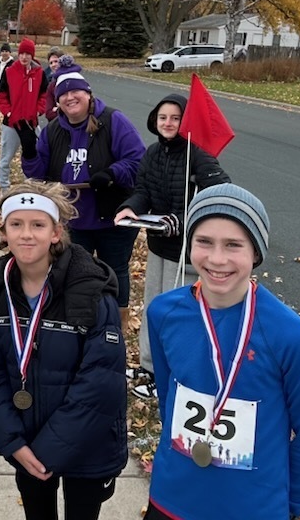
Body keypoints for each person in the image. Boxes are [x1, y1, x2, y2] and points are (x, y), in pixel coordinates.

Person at [143, 184, 300, 520]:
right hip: (170, 500)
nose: (217, 259)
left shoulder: (290, 335)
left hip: (251, 508)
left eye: (233, 245)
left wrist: (291, 505)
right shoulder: (163, 313)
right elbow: (167, 397)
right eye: (204, 242)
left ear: (256, 253)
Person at [0, 181, 127, 520]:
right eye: (16, 224)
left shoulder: (90, 290)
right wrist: (13, 443)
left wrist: (46, 451)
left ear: (56, 232)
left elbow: (101, 384)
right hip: (26, 441)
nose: (26, 234)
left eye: (38, 225)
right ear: (4, 231)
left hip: (89, 446)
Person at [114, 93, 231, 399]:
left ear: (186, 122)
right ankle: (149, 367)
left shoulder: (199, 155)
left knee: (179, 313)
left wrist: (180, 220)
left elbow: (220, 195)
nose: (168, 123)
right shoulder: (152, 154)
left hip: (187, 253)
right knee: (155, 307)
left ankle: (172, 375)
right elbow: (143, 191)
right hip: (159, 246)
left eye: (175, 118)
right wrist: (130, 207)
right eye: (163, 117)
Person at [20, 55, 145, 328]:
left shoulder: (113, 121)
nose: (70, 98)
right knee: (75, 270)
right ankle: (79, 323)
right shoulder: (53, 131)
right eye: (64, 94)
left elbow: (138, 160)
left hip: (113, 214)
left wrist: (112, 173)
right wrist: (29, 150)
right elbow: (38, 174)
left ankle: (116, 326)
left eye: (76, 91)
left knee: (116, 270)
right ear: (58, 101)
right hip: (73, 217)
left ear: (88, 94)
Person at [0, 38, 46, 196]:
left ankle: (29, 185)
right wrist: (8, 112)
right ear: (18, 54)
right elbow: (1, 95)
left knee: (33, 154)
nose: (24, 57)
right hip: (11, 123)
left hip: (30, 123)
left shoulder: (39, 73)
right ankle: (4, 188)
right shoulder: (10, 71)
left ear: (32, 55)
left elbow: (43, 95)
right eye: (22, 53)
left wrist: (38, 111)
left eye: (28, 54)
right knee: (6, 157)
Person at [41, 47, 62, 122]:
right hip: (55, 126)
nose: (53, 65)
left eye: (56, 61)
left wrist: (58, 109)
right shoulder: (51, 85)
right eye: (51, 63)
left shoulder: (72, 79)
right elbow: (49, 114)